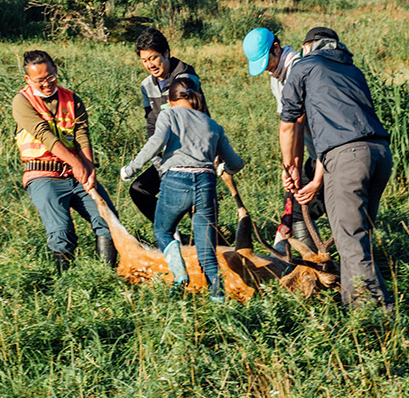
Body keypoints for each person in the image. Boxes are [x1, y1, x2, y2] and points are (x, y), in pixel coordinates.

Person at [279, 27, 394, 310]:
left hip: (347, 158)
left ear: (308, 47)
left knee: (350, 242)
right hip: (380, 154)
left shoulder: (303, 66)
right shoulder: (354, 72)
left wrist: (290, 166)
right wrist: (317, 176)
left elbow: (288, 123)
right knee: (357, 239)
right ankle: (351, 305)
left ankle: (374, 316)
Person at [119, 78, 243, 300]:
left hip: (176, 180)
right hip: (206, 184)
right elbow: (236, 163)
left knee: (163, 231)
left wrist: (131, 169)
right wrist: (225, 168)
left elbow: (155, 143)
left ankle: (179, 275)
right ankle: (218, 301)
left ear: (171, 101)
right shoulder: (213, 124)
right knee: (207, 251)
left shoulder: (169, 114)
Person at [12, 50, 118, 272]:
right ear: (28, 80)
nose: (47, 83)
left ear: (56, 71)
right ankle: (66, 285)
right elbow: (45, 135)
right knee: (62, 232)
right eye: (39, 80)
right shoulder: (21, 102)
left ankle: (105, 277)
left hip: (76, 174)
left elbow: (81, 135)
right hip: (43, 175)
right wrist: (77, 164)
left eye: (50, 77)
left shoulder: (71, 99)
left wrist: (89, 169)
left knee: (108, 221)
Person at [242, 27, 328, 252]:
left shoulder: (298, 70)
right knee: (297, 206)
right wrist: (290, 166)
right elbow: (287, 124)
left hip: (328, 151)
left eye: (266, 61)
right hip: (315, 154)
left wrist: (292, 166)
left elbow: (297, 124)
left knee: (309, 206)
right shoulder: (276, 77)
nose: (266, 68)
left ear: (277, 48)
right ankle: (301, 256)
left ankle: (318, 263)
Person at [129, 28, 209, 238]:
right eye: (145, 60)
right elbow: (151, 126)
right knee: (139, 189)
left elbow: (197, 122)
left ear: (166, 52)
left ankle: (213, 246)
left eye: (154, 57)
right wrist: (158, 163)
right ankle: (173, 235)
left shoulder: (185, 78)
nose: (150, 65)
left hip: (192, 157)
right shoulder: (147, 85)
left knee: (198, 216)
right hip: (166, 158)